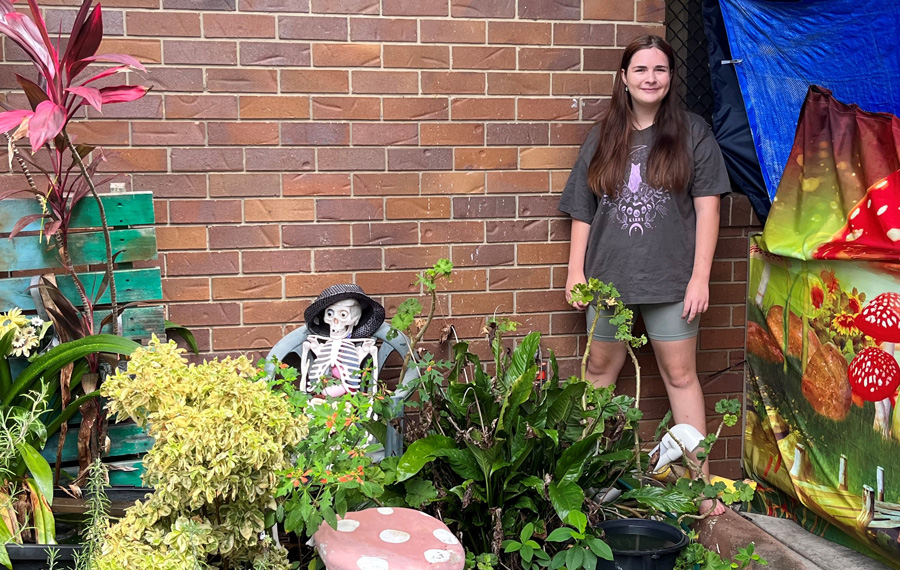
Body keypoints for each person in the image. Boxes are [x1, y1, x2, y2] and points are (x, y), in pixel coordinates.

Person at [557, 35, 730, 516]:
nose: (650, 78)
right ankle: (583, 482)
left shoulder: (693, 133)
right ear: (625, 78)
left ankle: (700, 487)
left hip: (672, 281)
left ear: (670, 78)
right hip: (609, 280)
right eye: (640, 70)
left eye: (659, 69)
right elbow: (582, 210)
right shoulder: (604, 135)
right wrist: (576, 271)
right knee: (597, 373)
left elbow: (708, 209)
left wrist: (701, 277)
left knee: (680, 374)